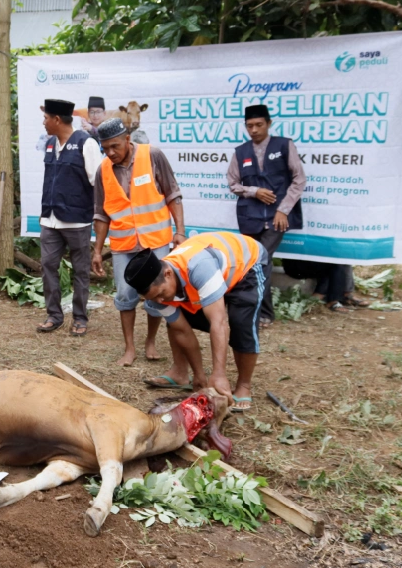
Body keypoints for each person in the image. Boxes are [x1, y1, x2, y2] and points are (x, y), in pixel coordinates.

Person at [124, 231, 270, 411]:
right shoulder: (157, 294)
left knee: (241, 324)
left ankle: (243, 385)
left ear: (168, 273)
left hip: (246, 263)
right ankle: (180, 373)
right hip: (211, 273)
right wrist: (199, 375)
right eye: (155, 298)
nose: (161, 301)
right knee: (178, 319)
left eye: (161, 294)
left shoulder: (199, 268)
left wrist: (219, 374)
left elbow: (218, 322)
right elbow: (181, 330)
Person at [90, 118, 185, 370]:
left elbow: (173, 194)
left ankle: (150, 342)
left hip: (155, 240)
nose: (110, 153)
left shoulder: (153, 156)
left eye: (115, 146)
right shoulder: (103, 170)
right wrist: (98, 251)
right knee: (124, 295)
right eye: (105, 148)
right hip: (123, 244)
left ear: (128, 140)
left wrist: (180, 232)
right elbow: (101, 214)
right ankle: (129, 347)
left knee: (157, 293)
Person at [227, 104, 305, 329]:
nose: (254, 130)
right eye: (249, 125)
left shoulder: (284, 145)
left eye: (259, 125)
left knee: (260, 259)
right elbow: (233, 183)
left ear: (269, 124)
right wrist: (254, 191)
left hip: (277, 217)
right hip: (250, 217)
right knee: (254, 261)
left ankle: (265, 313)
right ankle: (252, 307)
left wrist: (283, 209)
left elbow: (299, 179)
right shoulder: (241, 152)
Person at [36, 99, 103, 337]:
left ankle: (80, 318)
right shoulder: (50, 144)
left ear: (56, 119)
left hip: (77, 220)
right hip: (50, 219)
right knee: (48, 267)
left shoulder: (87, 143)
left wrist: (98, 216)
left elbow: (98, 182)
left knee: (81, 270)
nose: (43, 122)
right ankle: (54, 315)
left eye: (46, 118)